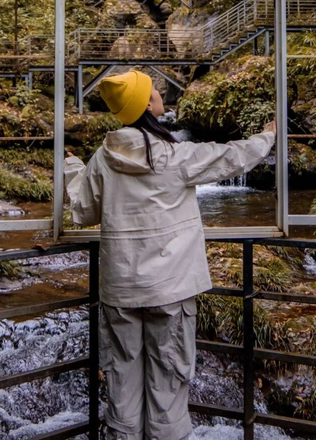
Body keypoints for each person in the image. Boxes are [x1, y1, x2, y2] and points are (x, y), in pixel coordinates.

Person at [64, 69, 276, 440]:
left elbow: (82, 211)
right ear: (147, 103)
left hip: (121, 290)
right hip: (172, 291)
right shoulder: (177, 156)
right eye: (155, 90)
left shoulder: (102, 158)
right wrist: (268, 136)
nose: (160, 94)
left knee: (121, 384)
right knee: (169, 386)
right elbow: (231, 157)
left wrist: (70, 167)